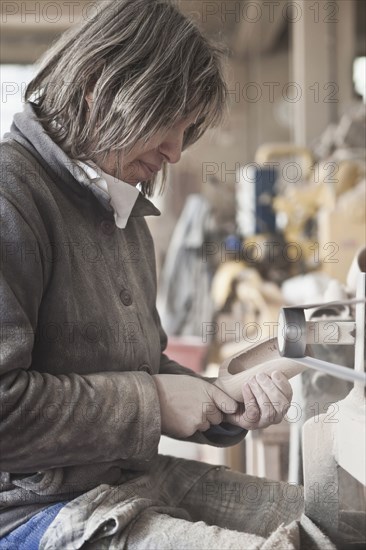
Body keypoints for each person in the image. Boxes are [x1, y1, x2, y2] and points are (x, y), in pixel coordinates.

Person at [0, 1, 310, 548]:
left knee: (330, 521)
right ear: (99, 85)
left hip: (122, 478)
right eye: (166, 121)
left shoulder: (123, 211)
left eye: (186, 128)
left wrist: (222, 400)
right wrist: (155, 402)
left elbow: (145, 367)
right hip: (32, 510)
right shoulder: (12, 196)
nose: (174, 150)